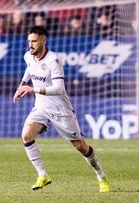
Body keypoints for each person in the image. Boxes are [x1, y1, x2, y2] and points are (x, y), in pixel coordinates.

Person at [12, 26, 110, 192]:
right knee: (26, 135)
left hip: (60, 110)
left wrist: (32, 89)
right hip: (41, 107)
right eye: (29, 41)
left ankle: (101, 176)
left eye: (34, 41)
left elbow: (59, 89)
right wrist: (21, 86)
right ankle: (43, 175)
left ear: (43, 40)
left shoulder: (53, 60)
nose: (31, 45)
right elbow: (29, 69)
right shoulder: (28, 56)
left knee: (80, 147)